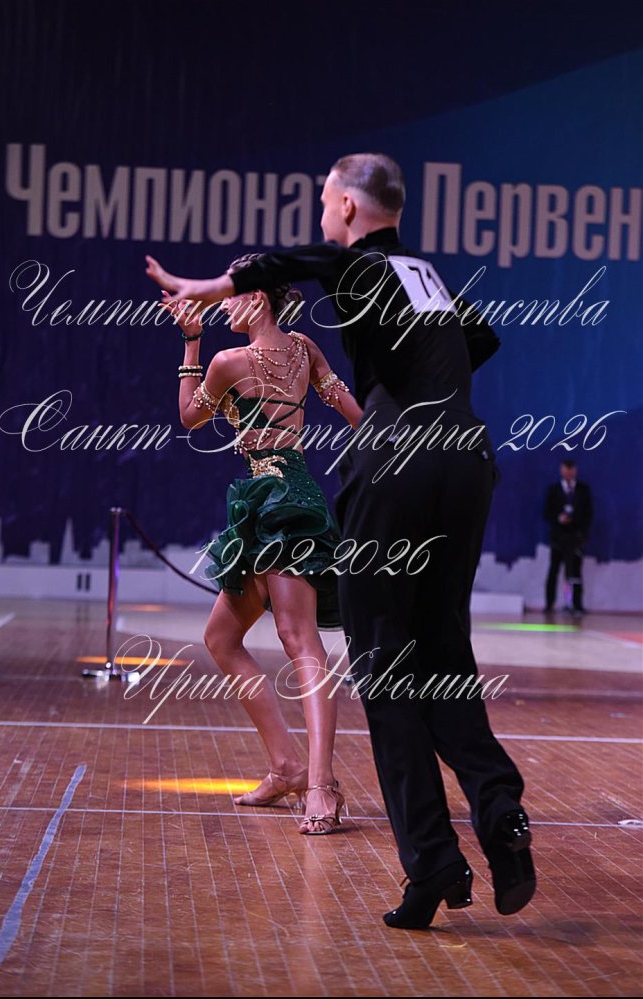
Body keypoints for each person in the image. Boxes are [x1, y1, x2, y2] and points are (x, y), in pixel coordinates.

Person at [145, 152, 536, 927]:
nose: (325, 214)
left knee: (384, 663)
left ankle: (431, 859)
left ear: (351, 207)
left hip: (394, 465)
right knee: (444, 655)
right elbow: (481, 340)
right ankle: (500, 811)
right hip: (466, 458)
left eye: (327, 201)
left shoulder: (357, 262)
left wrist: (204, 286)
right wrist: (415, 380)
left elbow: (294, 262)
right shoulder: (426, 276)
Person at [165, 252, 362, 834]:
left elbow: (189, 418)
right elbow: (354, 413)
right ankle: (286, 766)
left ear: (255, 298)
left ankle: (321, 787)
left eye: (232, 294)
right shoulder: (305, 349)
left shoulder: (227, 361)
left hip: (274, 505)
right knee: (222, 638)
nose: (223, 304)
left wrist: (191, 344)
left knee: (300, 641)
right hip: (288, 496)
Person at [544, 459, 592, 616]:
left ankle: (576, 605)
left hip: (576, 537)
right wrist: (559, 518)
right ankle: (549, 604)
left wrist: (578, 527)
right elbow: (547, 512)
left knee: (575, 572)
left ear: (575, 471)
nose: (569, 473)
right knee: (554, 570)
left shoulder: (583, 490)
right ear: (562, 470)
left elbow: (588, 514)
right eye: (566, 470)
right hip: (558, 538)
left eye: (571, 470)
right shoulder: (554, 490)